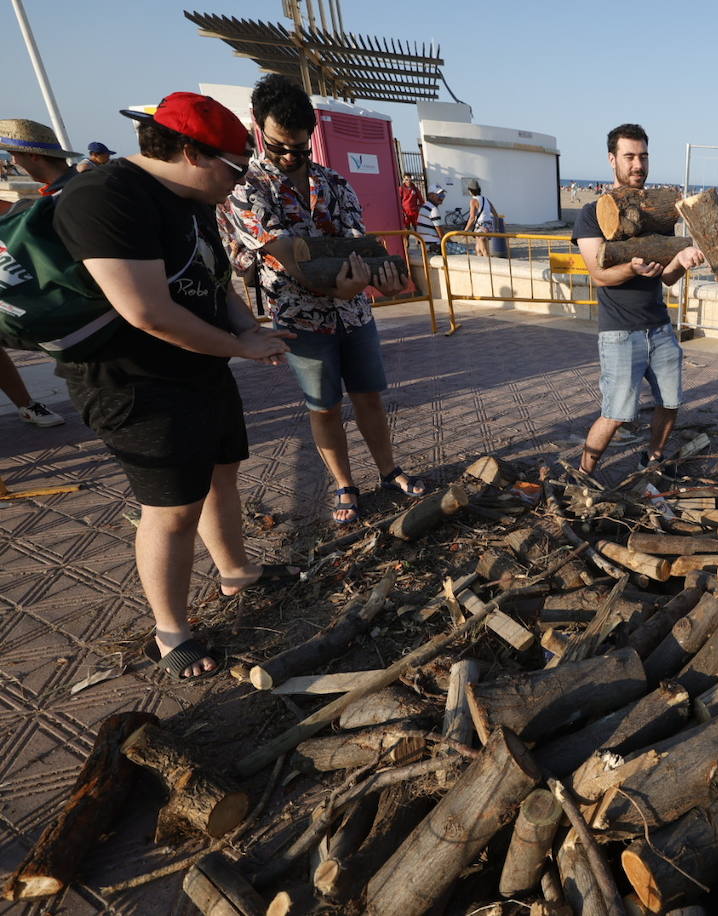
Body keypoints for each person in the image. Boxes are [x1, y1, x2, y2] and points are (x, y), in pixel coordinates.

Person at [53, 92, 299, 679]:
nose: (239, 184)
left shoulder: (189, 199)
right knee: (171, 510)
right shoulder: (105, 197)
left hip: (200, 368)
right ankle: (172, 630)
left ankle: (236, 571)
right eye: (235, 169)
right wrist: (240, 347)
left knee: (220, 476)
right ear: (191, 151)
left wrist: (248, 329)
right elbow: (147, 312)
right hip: (136, 382)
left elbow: (212, 283)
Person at [218, 74, 421, 527]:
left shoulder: (334, 182)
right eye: (279, 147)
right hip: (301, 321)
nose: (291, 157)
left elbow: (357, 243)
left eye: (301, 148)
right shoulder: (245, 189)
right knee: (324, 406)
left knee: (370, 396)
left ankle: (389, 471)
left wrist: (382, 281)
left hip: (354, 314)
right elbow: (289, 258)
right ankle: (345, 484)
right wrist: (343, 283)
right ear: (258, 129)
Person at [571, 123, 704, 475]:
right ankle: (582, 475)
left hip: (659, 328)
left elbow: (668, 277)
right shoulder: (592, 213)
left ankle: (653, 461)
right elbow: (599, 276)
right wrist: (631, 267)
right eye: (629, 156)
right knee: (615, 413)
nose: (637, 165)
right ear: (612, 160)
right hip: (619, 332)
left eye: (643, 156)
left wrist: (683, 260)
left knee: (671, 403)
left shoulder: (657, 214)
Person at [0, 118, 81, 428]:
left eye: (14, 156)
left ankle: (26, 404)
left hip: (83, 331)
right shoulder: (62, 191)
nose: (13, 163)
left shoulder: (70, 196)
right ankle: (27, 405)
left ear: (33, 156)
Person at [463, 180, 496, 257]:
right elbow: (494, 211)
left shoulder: (473, 201)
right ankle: (481, 266)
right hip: (488, 225)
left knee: (485, 252)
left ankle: (488, 267)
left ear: (470, 191)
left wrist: (465, 230)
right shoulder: (485, 199)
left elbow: (471, 217)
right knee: (478, 249)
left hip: (480, 227)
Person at [416, 184, 445, 253]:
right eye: (439, 195)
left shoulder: (425, 206)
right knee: (464, 251)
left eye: (443, 195)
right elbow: (440, 232)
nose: (442, 198)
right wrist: (449, 241)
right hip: (434, 245)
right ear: (430, 196)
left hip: (425, 244)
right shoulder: (433, 209)